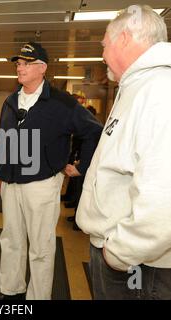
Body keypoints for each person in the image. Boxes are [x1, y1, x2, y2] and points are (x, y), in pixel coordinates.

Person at [0, 42, 102, 300]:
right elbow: (5, 138)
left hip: (41, 184)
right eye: (18, 63)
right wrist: (0, 172)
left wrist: (81, 166)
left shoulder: (62, 102)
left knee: (40, 247)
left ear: (42, 68)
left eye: (25, 63)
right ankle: (11, 291)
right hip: (10, 182)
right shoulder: (10, 101)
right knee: (10, 239)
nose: (19, 68)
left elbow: (93, 132)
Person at [76, 5, 171, 300]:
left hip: (137, 264)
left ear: (125, 39)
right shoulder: (136, 87)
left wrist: (118, 252)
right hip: (124, 251)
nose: (102, 54)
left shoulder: (159, 92)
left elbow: (163, 197)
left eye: (104, 44)